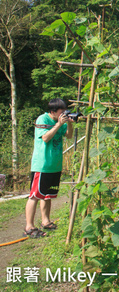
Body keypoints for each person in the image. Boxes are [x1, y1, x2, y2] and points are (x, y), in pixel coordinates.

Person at [24, 98, 74, 238]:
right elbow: (45, 138)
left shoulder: (62, 121)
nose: (64, 114)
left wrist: (69, 124)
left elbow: (69, 136)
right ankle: (29, 226)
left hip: (55, 165)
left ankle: (46, 221)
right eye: (61, 112)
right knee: (35, 195)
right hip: (42, 165)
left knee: (47, 195)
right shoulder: (43, 119)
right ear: (53, 112)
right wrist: (58, 124)